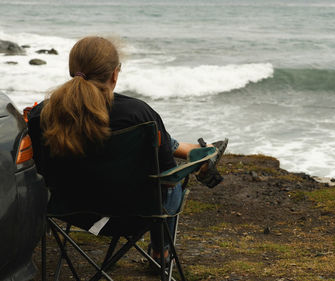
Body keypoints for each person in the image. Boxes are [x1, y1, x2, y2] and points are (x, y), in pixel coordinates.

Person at [27, 36, 227, 264]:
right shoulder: (138, 114)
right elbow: (168, 178)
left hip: (67, 211)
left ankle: (193, 152)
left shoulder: (40, 115)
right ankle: (161, 253)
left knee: (155, 141)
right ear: (115, 74)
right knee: (170, 182)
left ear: (73, 70)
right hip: (134, 216)